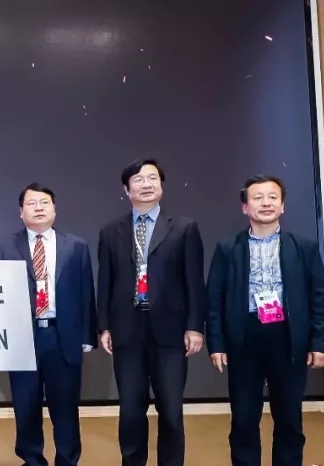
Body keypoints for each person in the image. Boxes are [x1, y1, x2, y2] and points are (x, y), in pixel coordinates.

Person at [205, 175, 324, 466]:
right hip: (243, 336)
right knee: (244, 418)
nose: (266, 203)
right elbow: (213, 298)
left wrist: (319, 342)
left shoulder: (304, 247)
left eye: (273, 197)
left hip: (288, 337)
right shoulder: (228, 248)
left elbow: (318, 297)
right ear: (245, 207)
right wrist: (217, 343)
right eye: (258, 197)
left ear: (282, 206)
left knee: (289, 418)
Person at [96, 159, 206, 466]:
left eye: (153, 178)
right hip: (127, 330)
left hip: (170, 331)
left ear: (161, 185)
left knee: (170, 411)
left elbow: (194, 281)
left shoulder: (184, 228)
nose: (146, 184)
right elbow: (105, 281)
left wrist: (194, 326)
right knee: (131, 411)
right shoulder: (111, 231)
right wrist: (104, 325)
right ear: (126, 189)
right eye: (139, 179)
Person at [0, 184, 96, 466]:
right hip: (23, 338)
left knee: (65, 407)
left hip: (62, 336)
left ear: (55, 209)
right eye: (31, 203)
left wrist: (87, 335)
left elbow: (86, 292)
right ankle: (32, 459)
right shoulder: (5, 246)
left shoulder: (75, 246)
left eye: (44, 202)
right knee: (25, 405)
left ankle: (67, 459)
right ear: (20, 212)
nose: (38, 208)